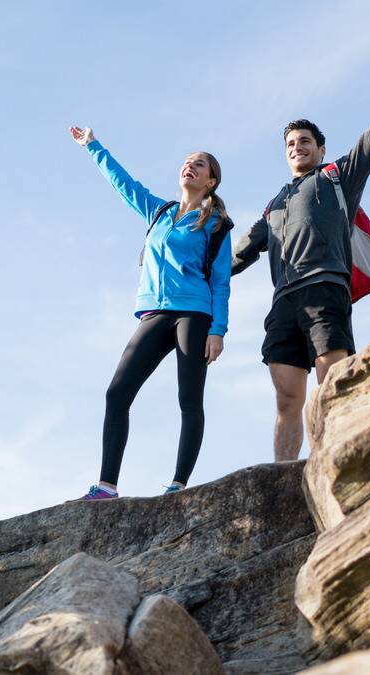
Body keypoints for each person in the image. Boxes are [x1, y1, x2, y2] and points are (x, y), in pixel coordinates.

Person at [230, 58, 370, 461]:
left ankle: (331, 462)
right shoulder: (275, 204)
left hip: (325, 288)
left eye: (304, 142)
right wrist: (184, 261)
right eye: (290, 145)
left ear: (320, 149)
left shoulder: (337, 177)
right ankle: (284, 476)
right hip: (284, 300)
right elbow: (238, 253)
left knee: (332, 383)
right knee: (286, 397)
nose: (296, 148)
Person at [70, 126, 233, 499]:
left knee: (189, 399)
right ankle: (107, 487)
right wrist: (93, 146)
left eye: (200, 164)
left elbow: (222, 282)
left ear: (211, 181)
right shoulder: (158, 212)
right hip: (154, 314)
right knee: (117, 392)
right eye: (187, 161)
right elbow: (123, 183)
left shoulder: (217, 225)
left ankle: (178, 485)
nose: (190, 166)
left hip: (194, 315)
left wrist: (218, 330)